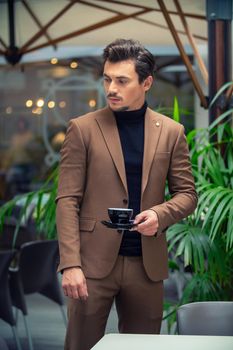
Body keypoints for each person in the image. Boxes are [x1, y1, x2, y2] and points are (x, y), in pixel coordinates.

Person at [56, 38, 197, 350]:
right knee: (80, 345)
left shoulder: (172, 132)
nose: (111, 88)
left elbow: (187, 194)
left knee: (143, 347)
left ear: (146, 83)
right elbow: (67, 199)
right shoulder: (82, 129)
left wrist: (160, 215)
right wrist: (70, 264)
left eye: (122, 80)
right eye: (107, 79)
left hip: (146, 265)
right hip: (91, 265)